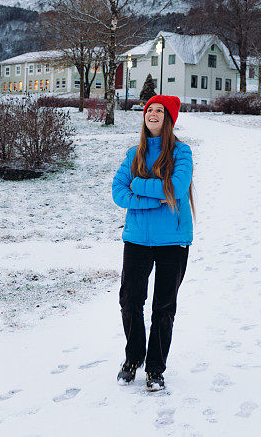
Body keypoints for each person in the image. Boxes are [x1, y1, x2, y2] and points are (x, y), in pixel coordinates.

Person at [111, 94, 195, 391]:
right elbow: (118, 193)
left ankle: (156, 369)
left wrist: (138, 185)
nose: (153, 114)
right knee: (130, 300)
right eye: (149, 109)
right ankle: (133, 358)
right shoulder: (134, 153)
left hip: (173, 240)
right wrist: (154, 198)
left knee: (164, 306)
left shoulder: (181, 153)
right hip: (137, 239)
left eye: (160, 110)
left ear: (169, 118)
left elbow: (177, 187)